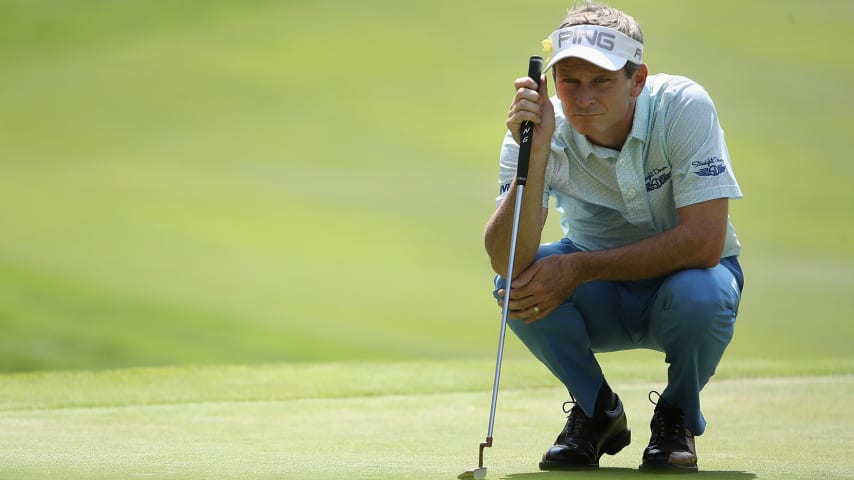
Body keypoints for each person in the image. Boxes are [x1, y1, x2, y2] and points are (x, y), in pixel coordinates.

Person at [483, 0, 745, 473]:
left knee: (701, 293)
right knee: (514, 288)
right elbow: (506, 260)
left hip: (685, 284)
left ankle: (677, 416)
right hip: (596, 293)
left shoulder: (682, 106)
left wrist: (579, 268)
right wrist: (536, 156)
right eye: (570, 82)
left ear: (637, 81)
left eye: (601, 81)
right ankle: (596, 412)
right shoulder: (536, 129)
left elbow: (705, 242)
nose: (582, 99)